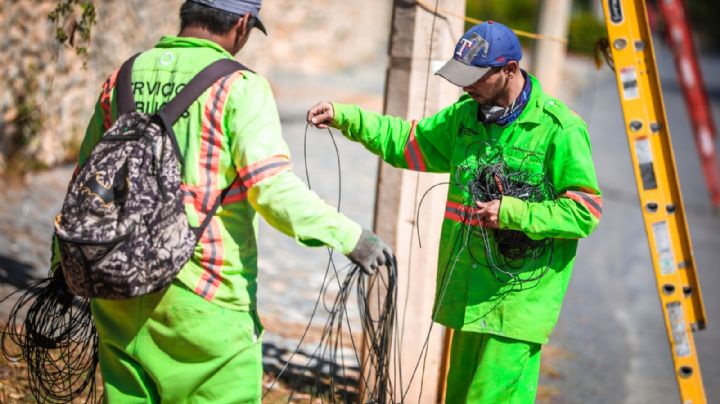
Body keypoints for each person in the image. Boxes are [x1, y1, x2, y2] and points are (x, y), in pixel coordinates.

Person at [74, 1, 391, 402]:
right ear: (242, 24)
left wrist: (61, 265)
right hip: (204, 300)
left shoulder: (122, 76)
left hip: (116, 292)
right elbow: (272, 191)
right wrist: (352, 237)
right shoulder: (240, 86)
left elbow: (85, 182)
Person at [308, 21, 602, 403]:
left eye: (475, 78)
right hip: (467, 297)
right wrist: (347, 117)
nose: (466, 87)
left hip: (516, 307)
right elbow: (407, 142)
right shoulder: (465, 117)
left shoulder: (560, 130)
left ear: (509, 71)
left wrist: (513, 213)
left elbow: (585, 212)